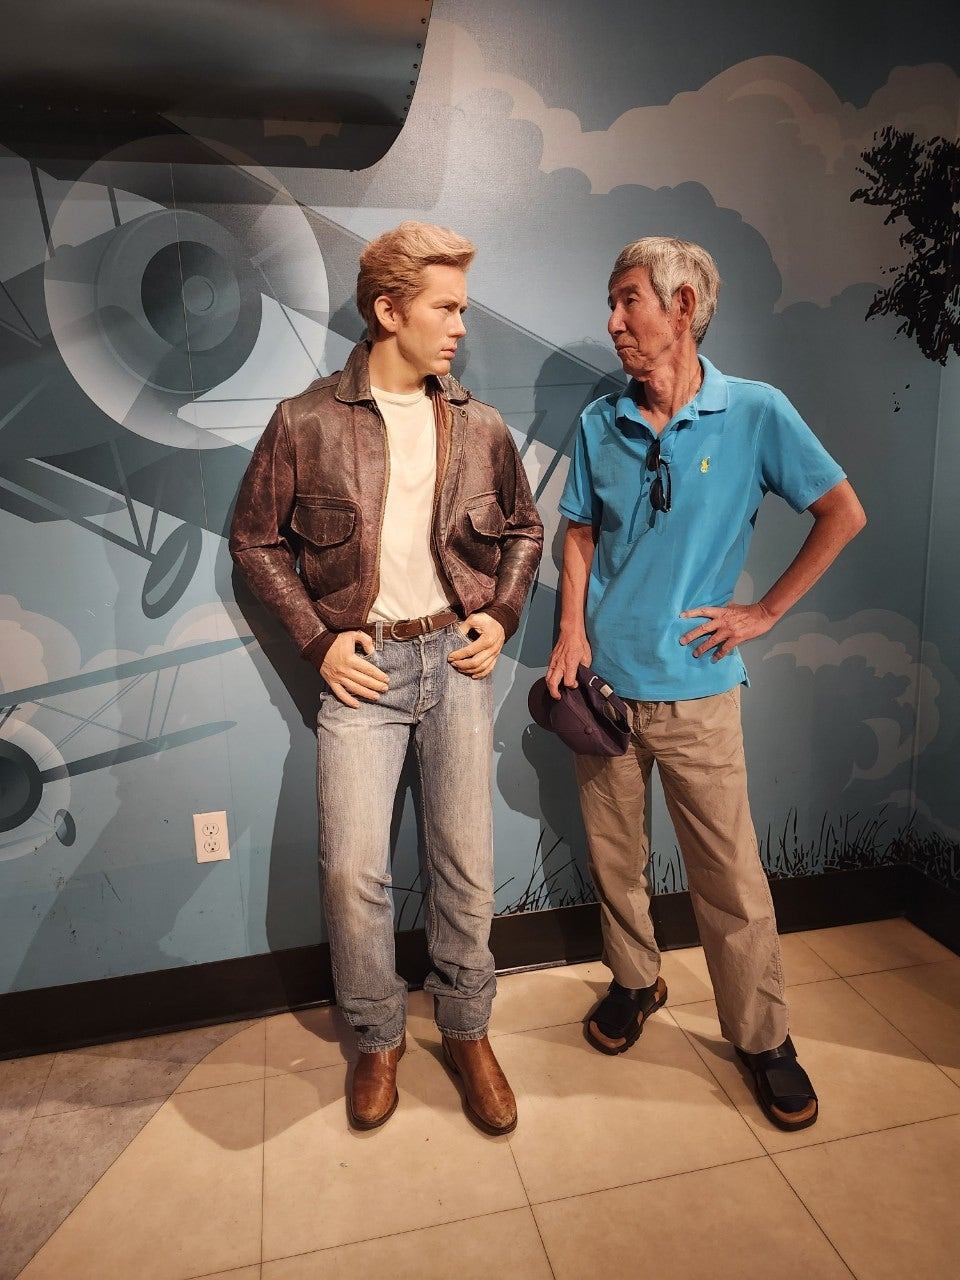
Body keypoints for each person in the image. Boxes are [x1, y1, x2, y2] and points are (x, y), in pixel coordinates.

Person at [546, 236, 866, 1132]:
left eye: (629, 300)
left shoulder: (756, 411)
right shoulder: (600, 421)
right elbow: (579, 532)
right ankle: (635, 982)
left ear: (682, 307)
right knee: (617, 861)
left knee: (729, 877)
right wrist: (570, 629)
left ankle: (764, 1038)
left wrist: (763, 611)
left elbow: (842, 513)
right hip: (603, 692)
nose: (614, 321)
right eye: (613, 303)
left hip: (699, 694)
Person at [230, 221, 543, 1133]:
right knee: (352, 870)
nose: (460, 327)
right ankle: (375, 1037)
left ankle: (467, 1028)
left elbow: (523, 530)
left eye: (462, 309)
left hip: (456, 661)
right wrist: (317, 641)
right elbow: (254, 539)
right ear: (389, 310)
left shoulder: (480, 424)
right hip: (363, 670)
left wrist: (501, 613)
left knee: (465, 865)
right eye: (446, 308)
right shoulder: (305, 421)